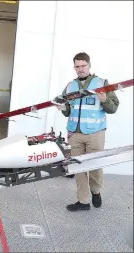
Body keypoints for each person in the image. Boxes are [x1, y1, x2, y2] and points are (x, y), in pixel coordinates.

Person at [57, 52, 119, 212]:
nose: (80, 69)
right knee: (77, 168)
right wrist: (63, 108)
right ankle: (83, 201)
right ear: (74, 68)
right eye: (77, 66)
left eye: (83, 66)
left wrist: (105, 99)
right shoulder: (70, 86)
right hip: (74, 134)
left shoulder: (102, 83)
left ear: (89, 66)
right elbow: (68, 110)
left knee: (95, 167)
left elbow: (114, 108)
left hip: (95, 134)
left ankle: (96, 191)